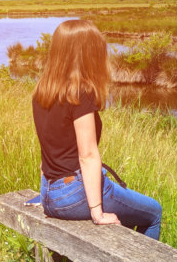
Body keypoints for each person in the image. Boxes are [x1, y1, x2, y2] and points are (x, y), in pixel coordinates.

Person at [32, 19, 162, 239]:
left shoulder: (42, 91)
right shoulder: (80, 93)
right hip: (74, 194)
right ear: (87, 54)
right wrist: (97, 213)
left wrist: (47, 193)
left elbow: (49, 147)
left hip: (49, 193)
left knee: (127, 216)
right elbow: (88, 156)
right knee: (153, 212)